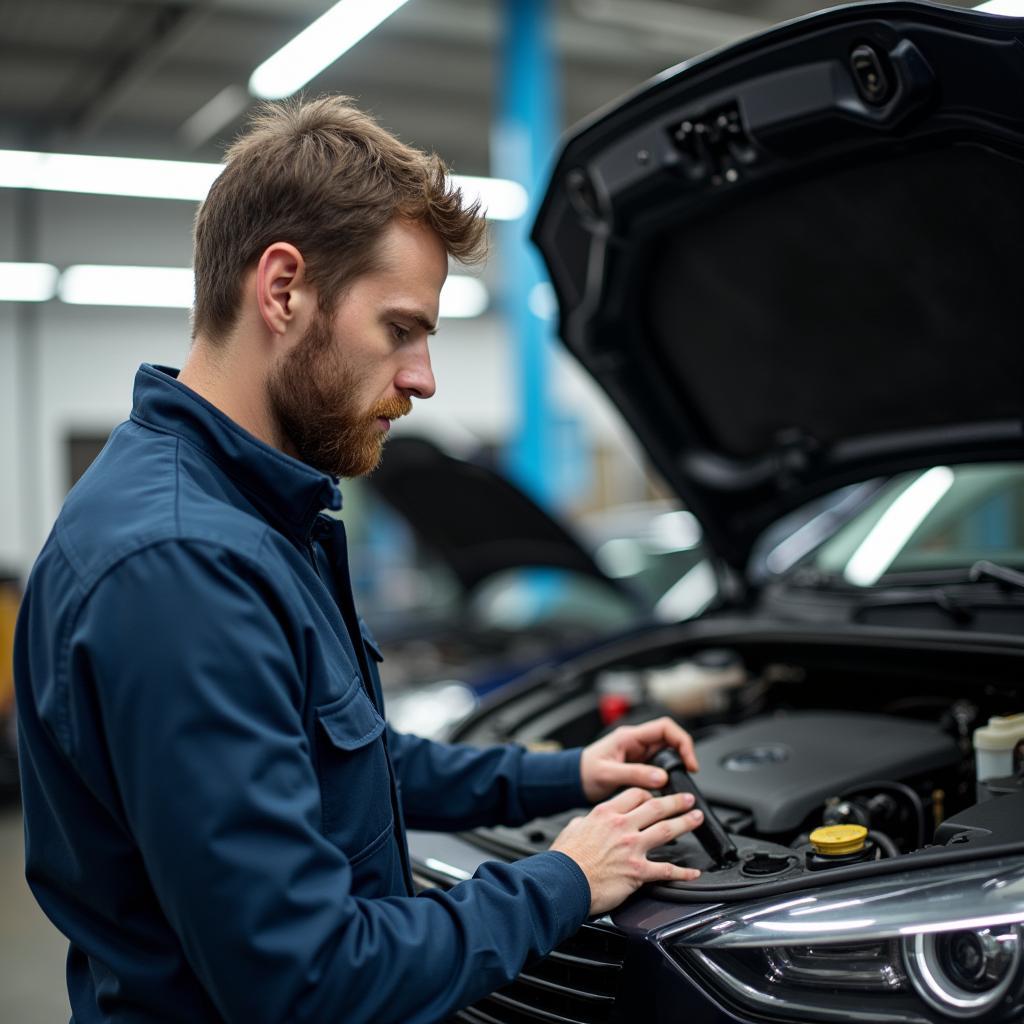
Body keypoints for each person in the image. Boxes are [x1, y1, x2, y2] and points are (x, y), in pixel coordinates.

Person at [14, 97, 704, 1024]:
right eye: (401, 328)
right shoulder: (182, 567)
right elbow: (304, 982)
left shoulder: (251, 514)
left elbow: (351, 761)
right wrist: (565, 879)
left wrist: (567, 775)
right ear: (285, 289)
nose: (423, 377)